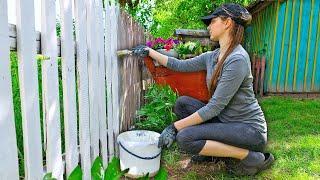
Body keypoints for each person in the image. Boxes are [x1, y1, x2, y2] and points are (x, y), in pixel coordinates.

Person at [131, 3, 274, 176]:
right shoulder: (213, 56)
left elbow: (214, 107)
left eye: (213, 21)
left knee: (185, 137)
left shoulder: (237, 59)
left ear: (227, 22)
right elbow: (178, 65)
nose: (208, 26)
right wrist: (149, 51)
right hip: (226, 122)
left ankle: (251, 157)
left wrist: (174, 127)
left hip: (249, 131)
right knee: (182, 104)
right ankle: (210, 153)